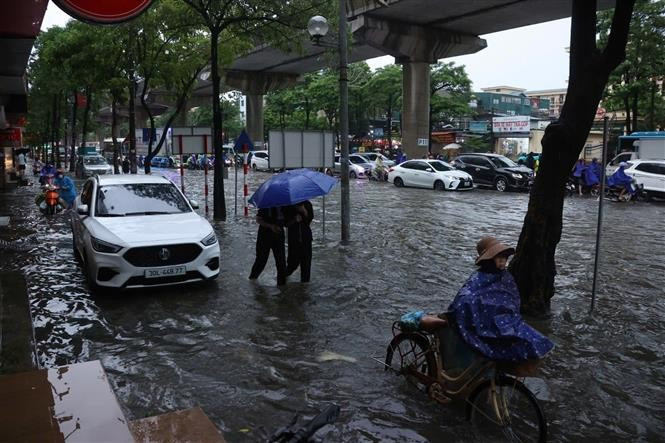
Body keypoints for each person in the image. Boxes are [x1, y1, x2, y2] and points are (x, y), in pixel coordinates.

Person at [447, 237, 554, 364]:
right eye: (499, 257)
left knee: (533, 339)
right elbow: (465, 297)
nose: (503, 261)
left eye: (504, 257)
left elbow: (512, 299)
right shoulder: (478, 278)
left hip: (505, 318)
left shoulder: (505, 277)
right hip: (485, 321)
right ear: (489, 260)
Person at [249, 206, 287, 286]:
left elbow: (287, 221)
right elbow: (258, 220)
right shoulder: (265, 205)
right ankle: (252, 281)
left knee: (281, 262)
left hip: (279, 234)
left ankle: (282, 288)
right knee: (261, 260)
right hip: (264, 234)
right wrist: (270, 226)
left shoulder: (284, 205)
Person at [285, 200, 314, 283]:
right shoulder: (288, 206)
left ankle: (304, 291)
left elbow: (309, 220)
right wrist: (295, 220)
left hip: (306, 239)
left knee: (306, 266)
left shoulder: (307, 204)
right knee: (292, 265)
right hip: (294, 240)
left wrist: (304, 211)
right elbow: (285, 224)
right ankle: (283, 279)